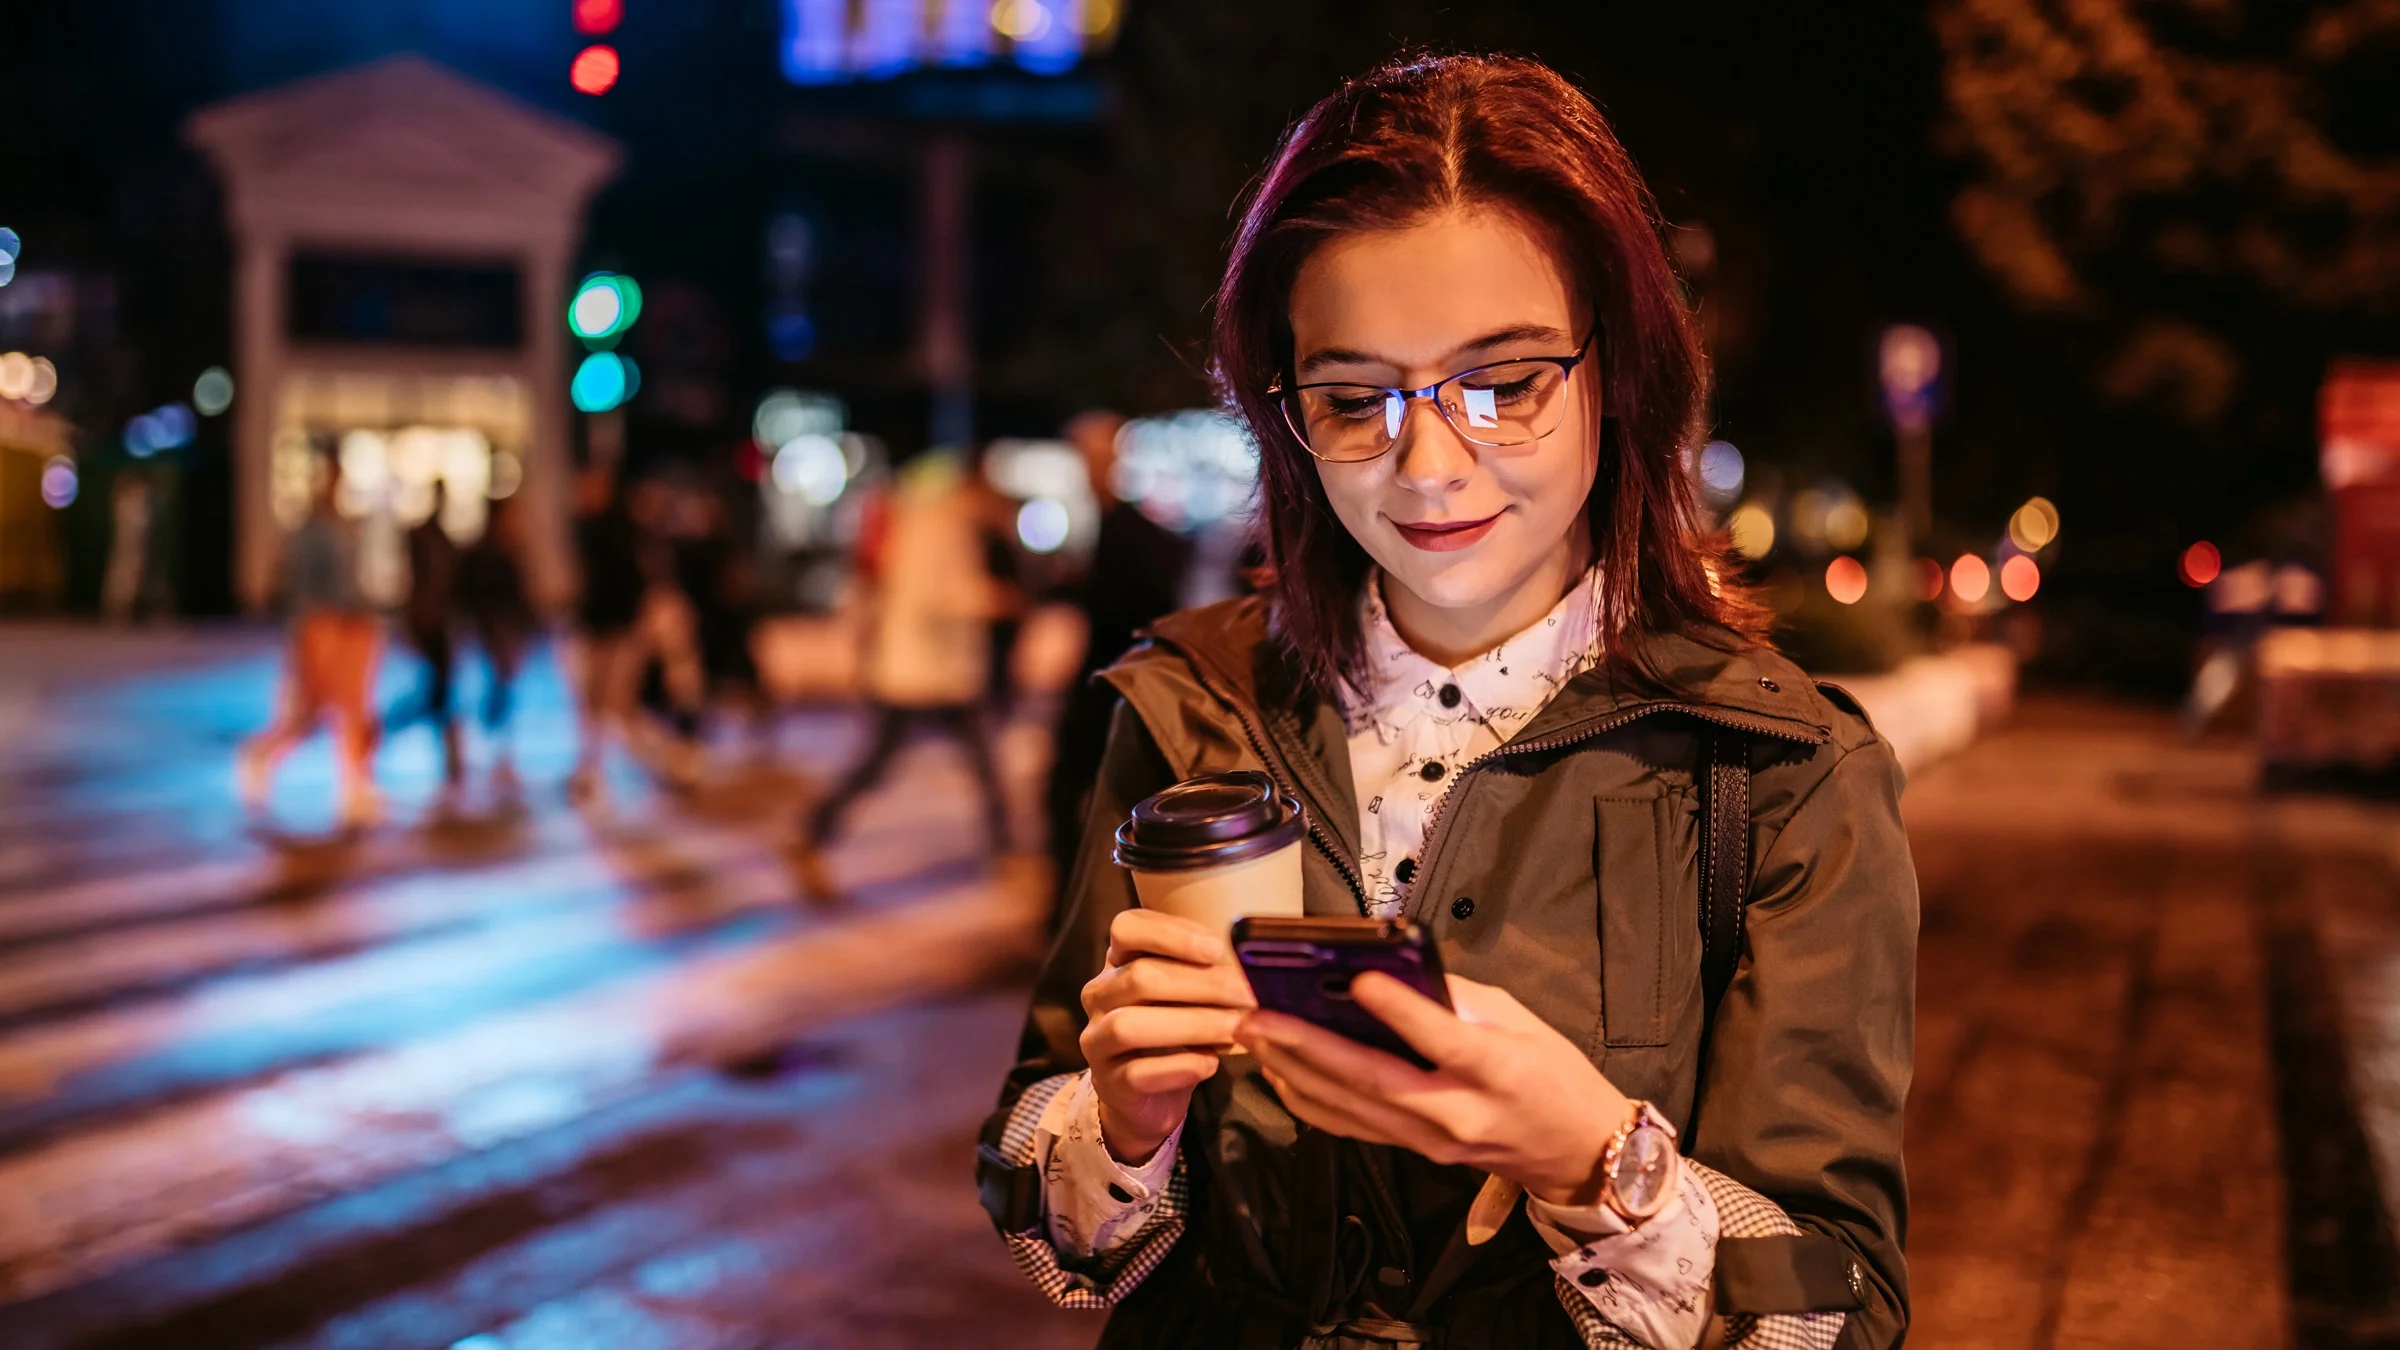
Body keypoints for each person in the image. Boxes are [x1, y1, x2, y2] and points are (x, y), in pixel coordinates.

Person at [978, 54, 1914, 1350]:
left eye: (1504, 382)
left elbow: (1842, 1305)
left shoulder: (1781, 768)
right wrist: (1118, 1125)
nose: (1427, 465)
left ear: (1620, 369)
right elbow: (1046, 1180)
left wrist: (1594, 1161)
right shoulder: (1194, 700)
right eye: (1354, 400)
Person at [802, 451, 1012, 863]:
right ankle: (814, 834)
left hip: (928, 667)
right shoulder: (941, 525)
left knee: (975, 759)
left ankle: (815, 834)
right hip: (924, 668)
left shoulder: (931, 519)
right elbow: (937, 594)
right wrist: (992, 599)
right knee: (894, 759)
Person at [1041, 410, 1193, 923]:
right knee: (1076, 796)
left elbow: (1138, 604)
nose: (1086, 467)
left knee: (1083, 796)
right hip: (1110, 682)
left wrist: (1070, 588)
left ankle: (1080, 910)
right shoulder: (1114, 523)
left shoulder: (1131, 528)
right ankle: (1079, 905)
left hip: (1115, 686)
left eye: (1091, 456)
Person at [239, 454, 386, 829]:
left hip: (350, 625)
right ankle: (261, 756)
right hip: (321, 626)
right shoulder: (310, 530)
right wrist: (312, 633)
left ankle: (355, 789)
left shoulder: (342, 526)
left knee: (354, 712)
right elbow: (301, 587)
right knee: (310, 713)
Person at [458, 492, 536, 791]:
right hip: (496, 630)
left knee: (503, 690)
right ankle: (495, 749)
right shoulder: (490, 553)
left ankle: (500, 751)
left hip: (505, 630)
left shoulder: (509, 551)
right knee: (498, 690)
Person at [394, 483, 464, 788]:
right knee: (437, 691)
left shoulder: (444, 539)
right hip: (427, 622)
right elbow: (414, 581)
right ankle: (385, 727)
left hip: (441, 623)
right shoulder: (420, 537)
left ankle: (452, 760)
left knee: (440, 689)